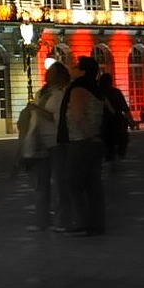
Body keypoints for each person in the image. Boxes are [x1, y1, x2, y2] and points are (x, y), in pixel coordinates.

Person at [51, 57, 107, 236]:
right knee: (93, 185)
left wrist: (90, 136)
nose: (72, 68)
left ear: (83, 71)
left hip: (80, 142)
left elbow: (79, 116)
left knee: (72, 182)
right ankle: (96, 224)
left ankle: (82, 222)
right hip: (94, 142)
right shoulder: (95, 87)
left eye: (75, 66)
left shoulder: (78, 89)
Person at [20, 60, 72, 232]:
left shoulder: (60, 94)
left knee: (60, 183)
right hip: (39, 142)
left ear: (58, 75)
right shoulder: (42, 93)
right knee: (41, 184)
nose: (47, 72)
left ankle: (62, 220)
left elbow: (57, 119)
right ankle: (43, 221)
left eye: (51, 71)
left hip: (56, 142)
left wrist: (37, 109)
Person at [96, 73, 133, 163]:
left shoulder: (97, 93)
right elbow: (125, 108)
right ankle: (119, 157)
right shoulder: (116, 92)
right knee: (121, 140)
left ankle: (110, 160)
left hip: (103, 123)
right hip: (117, 122)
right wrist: (131, 121)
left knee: (107, 146)